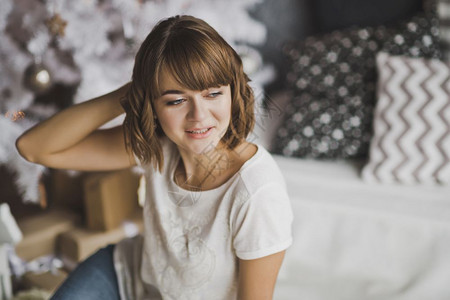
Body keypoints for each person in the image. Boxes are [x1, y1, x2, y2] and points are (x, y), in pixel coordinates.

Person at [16, 15, 293, 300]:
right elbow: (33, 147)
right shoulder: (156, 143)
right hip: (125, 273)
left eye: (213, 94)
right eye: (176, 100)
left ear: (233, 93)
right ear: (152, 103)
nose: (199, 116)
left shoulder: (258, 192)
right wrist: (129, 93)